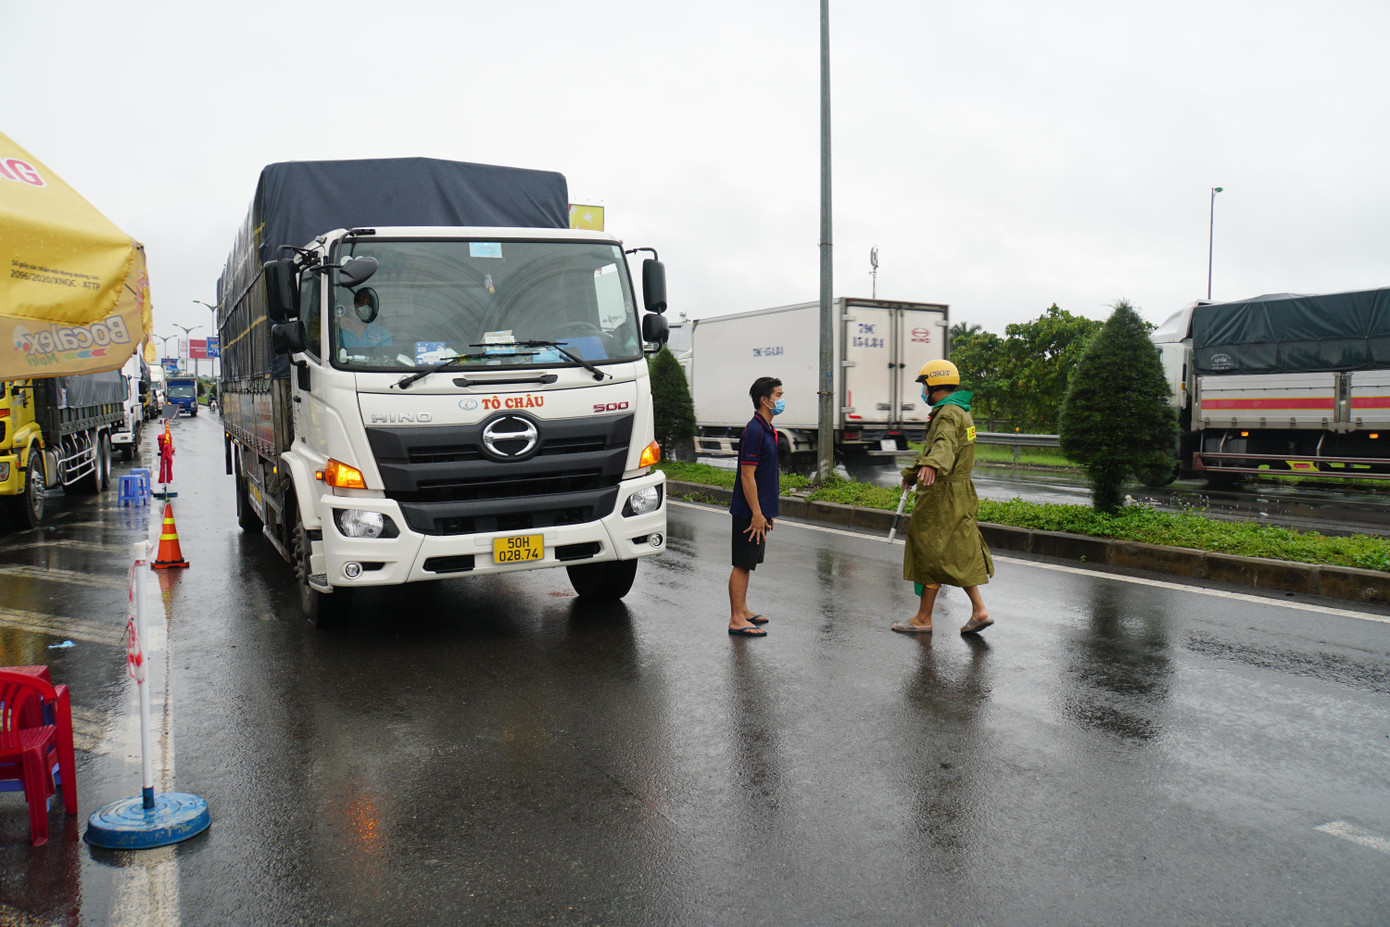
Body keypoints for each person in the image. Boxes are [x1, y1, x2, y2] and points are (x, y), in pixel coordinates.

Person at [892, 359, 995, 636]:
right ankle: (979, 610)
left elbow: (943, 445)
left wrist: (932, 465)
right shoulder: (961, 411)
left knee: (929, 551)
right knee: (956, 551)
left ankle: (923, 619)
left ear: (933, 384)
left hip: (942, 495)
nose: (923, 390)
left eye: (924, 385)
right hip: (960, 492)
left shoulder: (947, 414)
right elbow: (942, 447)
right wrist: (913, 472)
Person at [727, 376, 784, 637]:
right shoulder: (754, 430)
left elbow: (765, 474)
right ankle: (736, 618)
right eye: (778, 395)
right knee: (741, 562)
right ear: (765, 400)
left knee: (749, 561)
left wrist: (767, 511)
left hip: (760, 510)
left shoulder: (768, 428)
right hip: (748, 511)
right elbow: (747, 475)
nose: (781, 400)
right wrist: (757, 514)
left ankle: (744, 610)